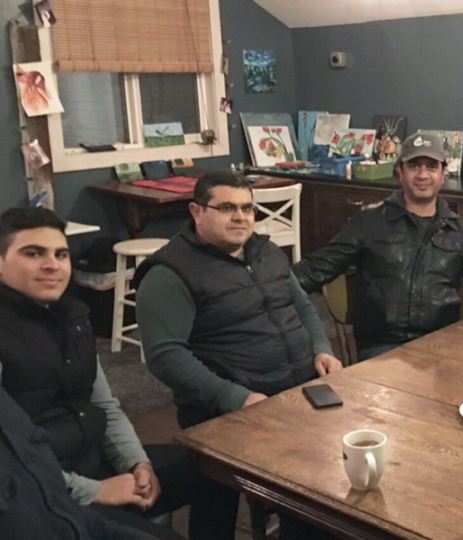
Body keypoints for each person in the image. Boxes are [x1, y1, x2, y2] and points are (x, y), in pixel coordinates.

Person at [134, 171, 342, 537]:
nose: (240, 217)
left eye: (247, 208)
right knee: (227, 505)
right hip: (227, 410)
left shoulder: (265, 251)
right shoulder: (169, 273)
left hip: (297, 393)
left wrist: (321, 349)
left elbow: (301, 307)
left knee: (337, 479)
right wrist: (236, 397)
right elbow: (165, 357)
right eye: (227, 207)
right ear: (196, 211)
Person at [0, 207, 200, 539]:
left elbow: (104, 405)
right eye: (33, 253)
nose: (52, 264)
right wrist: (94, 491)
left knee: (208, 470)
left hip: (91, 458)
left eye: (61, 254)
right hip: (40, 493)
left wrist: (136, 463)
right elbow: (13, 465)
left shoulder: (72, 315)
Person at [294, 132, 463, 360]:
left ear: (443, 173)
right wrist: (270, 289)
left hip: (441, 347)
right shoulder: (368, 222)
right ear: (400, 172)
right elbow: (315, 269)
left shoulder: (459, 232)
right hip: (382, 350)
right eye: (414, 166)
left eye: (431, 167)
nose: (423, 175)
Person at [0, 385, 179, 540]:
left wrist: (138, 463)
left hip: (89, 472)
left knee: (191, 473)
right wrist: (94, 490)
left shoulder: (8, 410)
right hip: (74, 482)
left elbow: (64, 509)